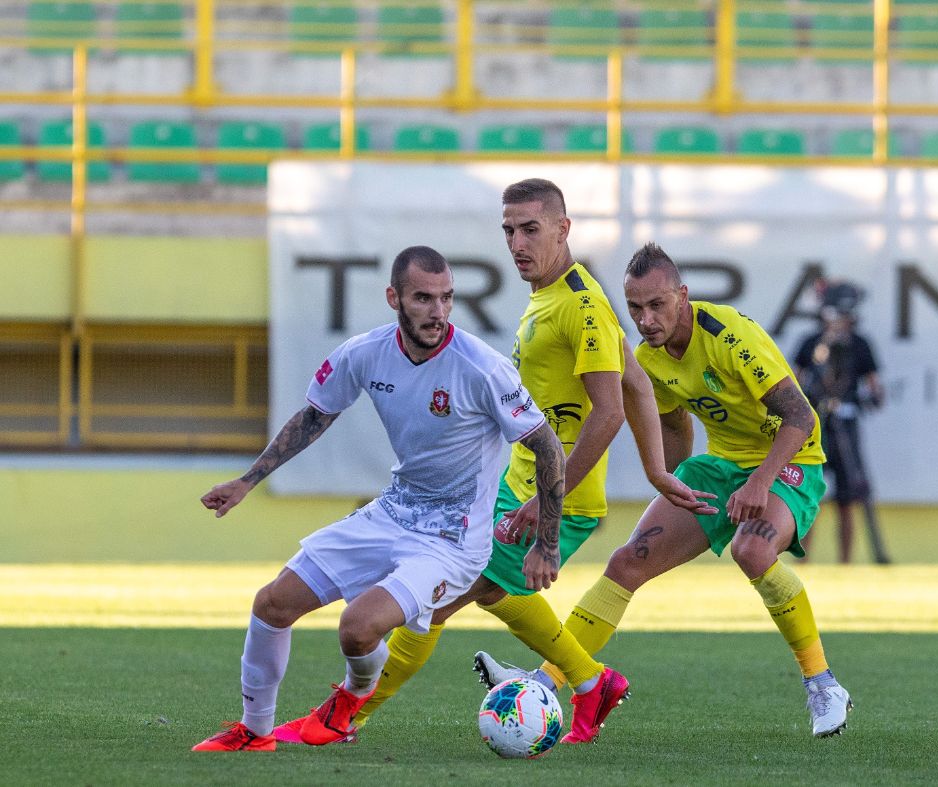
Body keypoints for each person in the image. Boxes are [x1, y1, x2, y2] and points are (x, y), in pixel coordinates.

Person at [273, 179, 713, 747]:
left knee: (428, 602)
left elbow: (608, 412)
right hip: (514, 487)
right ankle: (591, 680)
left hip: (555, 495)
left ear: (563, 229)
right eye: (509, 230)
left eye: (530, 229)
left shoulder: (581, 305)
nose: (517, 242)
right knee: (489, 591)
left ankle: (342, 718)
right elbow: (636, 381)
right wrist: (656, 471)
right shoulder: (557, 297)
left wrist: (546, 507)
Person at [191, 246, 565, 751]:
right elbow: (313, 417)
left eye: (447, 298)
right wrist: (247, 481)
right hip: (392, 511)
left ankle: (350, 699)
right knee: (271, 604)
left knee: (357, 628)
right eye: (423, 298)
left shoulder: (482, 368)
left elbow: (547, 447)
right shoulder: (364, 353)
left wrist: (547, 544)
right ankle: (254, 732)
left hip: (451, 541)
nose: (438, 311)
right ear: (394, 298)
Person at [479, 242, 854, 738]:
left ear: (683, 295)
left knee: (752, 549)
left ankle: (823, 683)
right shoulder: (648, 360)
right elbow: (674, 424)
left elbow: (801, 417)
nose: (646, 319)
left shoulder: (729, 335)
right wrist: (673, 488)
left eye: (657, 305)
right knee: (625, 563)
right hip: (718, 467)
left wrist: (761, 481)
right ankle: (544, 682)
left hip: (790, 462)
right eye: (635, 308)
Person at [793, 280, 890, 565]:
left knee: (848, 499)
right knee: (809, 496)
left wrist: (871, 396)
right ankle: (803, 560)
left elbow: (875, 389)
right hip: (815, 428)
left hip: (846, 426)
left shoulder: (860, 345)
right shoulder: (811, 343)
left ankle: (845, 563)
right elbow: (793, 384)